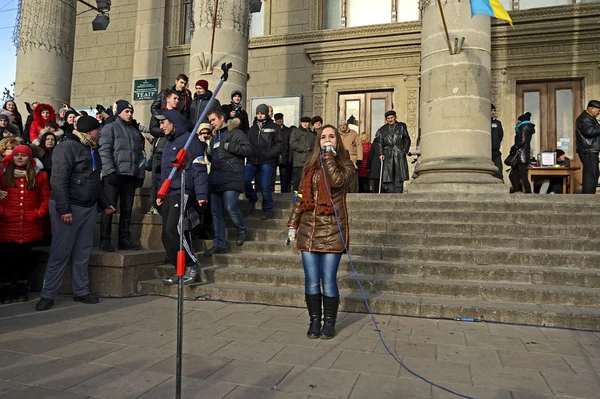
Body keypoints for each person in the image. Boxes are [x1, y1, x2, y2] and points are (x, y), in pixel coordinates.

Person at [35, 116, 115, 311]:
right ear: (89, 131)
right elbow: (59, 179)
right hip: (69, 208)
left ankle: (81, 291)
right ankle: (47, 295)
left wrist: (105, 204)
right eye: (98, 130)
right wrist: (64, 209)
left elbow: (95, 181)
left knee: (83, 252)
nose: (100, 133)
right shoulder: (67, 147)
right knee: (60, 253)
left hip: (87, 208)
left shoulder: (92, 150)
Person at [287, 125, 354, 339]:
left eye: (331, 137)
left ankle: (329, 323)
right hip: (308, 228)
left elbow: (335, 181)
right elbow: (301, 199)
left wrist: (328, 157)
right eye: (323, 137)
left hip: (332, 229)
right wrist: (292, 224)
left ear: (338, 140)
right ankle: (314, 321)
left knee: (329, 279)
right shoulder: (310, 167)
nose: (327, 140)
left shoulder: (345, 164)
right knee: (311, 280)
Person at [155, 110, 208, 285]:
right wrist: (160, 193)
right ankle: (179, 269)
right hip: (169, 192)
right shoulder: (168, 142)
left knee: (174, 229)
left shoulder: (190, 140)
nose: (161, 126)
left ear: (173, 123)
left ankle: (192, 265)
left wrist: (201, 194)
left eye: (164, 122)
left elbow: (199, 168)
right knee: (165, 234)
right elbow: (165, 172)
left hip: (184, 190)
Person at [0, 145, 50, 304]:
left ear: (29, 158)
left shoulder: (40, 176)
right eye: (16, 155)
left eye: (23, 155)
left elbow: (46, 199)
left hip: (29, 225)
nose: (19, 158)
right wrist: (3, 212)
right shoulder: (3, 176)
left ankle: (21, 290)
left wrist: (38, 214)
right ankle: (6, 291)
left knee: (24, 260)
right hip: (7, 225)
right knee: (7, 260)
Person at [98, 100, 146, 252]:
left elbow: (141, 155)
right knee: (109, 208)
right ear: (118, 112)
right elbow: (104, 151)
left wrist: (140, 174)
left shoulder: (135, 132)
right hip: (114, 175)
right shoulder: (109, 129)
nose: (129, 114)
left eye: (131, 112)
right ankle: (105, 240)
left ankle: (124, 239)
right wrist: (109, 171)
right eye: (126, 111)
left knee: (127, 209)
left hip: (130, 176)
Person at [203, 109, 252, 256]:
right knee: (215, 212)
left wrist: (230, 147)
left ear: (222, 118)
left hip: (232, 177)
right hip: (216, 178)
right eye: (210, 121)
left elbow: (248, 150)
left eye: (213, 120)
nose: (211, 123)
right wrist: (208, 153)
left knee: (230, 206)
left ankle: (242, 229)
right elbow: (212, 157)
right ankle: (219, 243)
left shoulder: (236, 133)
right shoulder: (214, 138)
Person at [148, 91, 185, 214]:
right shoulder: (158, 113)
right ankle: (154, 206)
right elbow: (152, 129)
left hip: (173, 151)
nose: (176, 101)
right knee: (156, 179)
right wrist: (164, 131)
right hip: (160, 149)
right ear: (167, 99)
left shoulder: (179, 115)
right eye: (174, 98)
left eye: (178, 99)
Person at [245, 104, 282, 220]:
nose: (260, 115)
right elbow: (247, 143)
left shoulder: (274, 127)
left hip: (266, 161)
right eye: (258, 113)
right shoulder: (252, 129)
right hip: (252, 160)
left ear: (266, 114)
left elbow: (280, 144)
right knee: (244, 180)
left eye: (262, 113)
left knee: (266, 186)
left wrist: (270, 154)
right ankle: (252, 198)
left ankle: (267, 210)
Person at [375, 110, 411, 193]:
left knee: (399, 173)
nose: (390, 120)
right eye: (388, 118)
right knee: (388, 174)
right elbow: (380, 142)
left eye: (391, 117)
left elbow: (406, 139)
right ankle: (390, 191)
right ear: (386, 119)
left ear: (395, 117)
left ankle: (398, 190)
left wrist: (404, 150)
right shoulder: (382, 129)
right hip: (387, 153)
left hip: (398, 152)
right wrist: (381, 153)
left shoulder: (401, 126)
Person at [576, 100, 600, 194]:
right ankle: (587, 197)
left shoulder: (589, 117)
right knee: (591, 174)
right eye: (598, 110)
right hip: (588, 149)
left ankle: (589, 195)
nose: (599, 112)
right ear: (592, 108)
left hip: (590, 149)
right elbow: (589, 131)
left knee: (593, 174)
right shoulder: (585, 118)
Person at [509, 112, 535, 194]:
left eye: (519, 121)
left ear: (521, 121)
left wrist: (514, 147)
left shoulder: (523, 128)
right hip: (523, 154)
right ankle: (517, 191)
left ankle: (528, 192)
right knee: (513, 175)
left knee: (523, 176)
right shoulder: (527, 128)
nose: (518, 122)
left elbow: (522, 141)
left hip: (521, 155)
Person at [290, 116, 316, 191]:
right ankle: (296, 198)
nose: (305, 124)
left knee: (308, 182)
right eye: (304, 122)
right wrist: (305, 148)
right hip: (299, 162)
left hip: (309, 162)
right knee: (297, 183)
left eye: (307, 122)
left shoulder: (313, 134)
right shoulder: (296, 131)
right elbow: (293, 143)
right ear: (301, 123)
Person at [339, 121, 362, 193]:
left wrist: (359, 158)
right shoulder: (337, 135)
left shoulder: (353, 134)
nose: (343, 127)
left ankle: (353, 193)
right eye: (341, 125)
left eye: (344, 125)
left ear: (347, 126)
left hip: (352, 159)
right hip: (340, 159)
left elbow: (359, 146)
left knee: (353, 178)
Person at [273, 113, 293, 193]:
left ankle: (284, 195)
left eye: (281, 119)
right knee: (271, 177)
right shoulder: (272, 130)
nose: (279, 120)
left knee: (285, 178)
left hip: (285, 156)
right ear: (275, 120)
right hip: (273, 156)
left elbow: (290, 145)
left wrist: (290, 158)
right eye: (277, 119)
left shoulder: (288, 130)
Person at [491, 104, 504, 180]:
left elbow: (501, 135)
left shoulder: (498, 123)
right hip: (486, 150)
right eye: (491, 110)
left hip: (495, 150)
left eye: (494, 110)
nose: (493, 112)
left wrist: (496, 143)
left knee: (499, 168)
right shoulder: (484, 122)